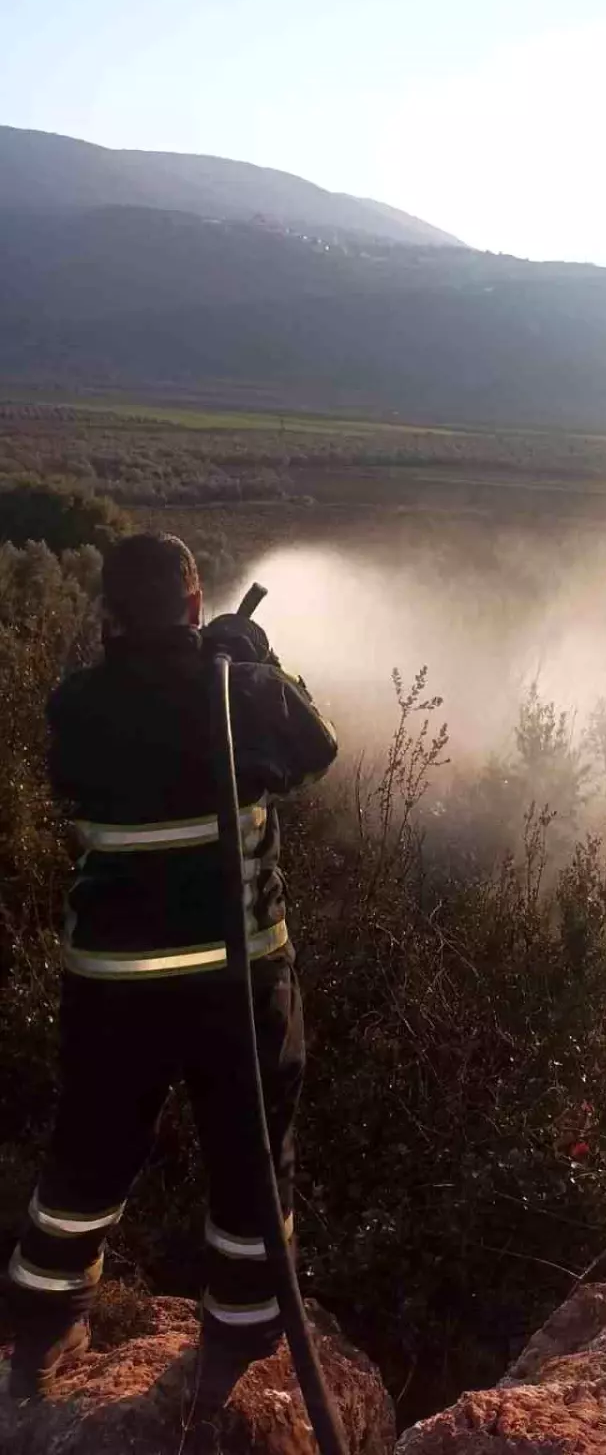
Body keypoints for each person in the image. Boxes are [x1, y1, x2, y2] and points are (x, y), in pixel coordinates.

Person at [6, 533, 338, 1401]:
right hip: (243, 985)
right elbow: (317, 746)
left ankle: (43, 1331)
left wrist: (211, 665)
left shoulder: (77, 704)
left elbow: (83, 775)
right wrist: (247, 658)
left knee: (86, 1156)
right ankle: (233, 1348)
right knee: (250, 1163)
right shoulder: (241, 695)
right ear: (194, 607)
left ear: (109, 613)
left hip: (114, 988)